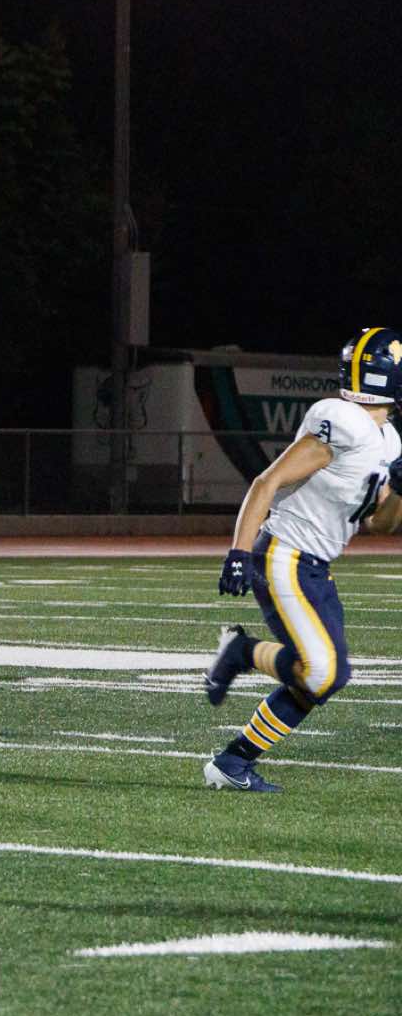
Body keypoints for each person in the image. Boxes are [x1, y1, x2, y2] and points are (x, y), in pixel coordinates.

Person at [200, 327, 402, 792]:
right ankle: (240, 658)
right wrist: (237, 552)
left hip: (315, 566)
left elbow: (381, 524)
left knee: (328, 677)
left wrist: (399, 490)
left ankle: (233, 761)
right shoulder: (343, 420)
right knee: (320, 671)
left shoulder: (388, 439)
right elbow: (266, 482)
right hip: (284, 553)